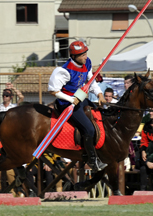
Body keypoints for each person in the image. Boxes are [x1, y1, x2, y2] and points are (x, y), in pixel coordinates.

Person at [48, 40, 107, 172]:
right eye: (82, 55)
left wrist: (100, 94)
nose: (85, 57)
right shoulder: (64, 71)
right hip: (66, 103)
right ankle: (92, 160)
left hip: (80, 97)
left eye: (86, 53)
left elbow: (90, 81)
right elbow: (53, 91)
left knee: (100, 114)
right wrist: (70, 99)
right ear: (74, 56)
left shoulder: (87, 63)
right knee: (89, 129)